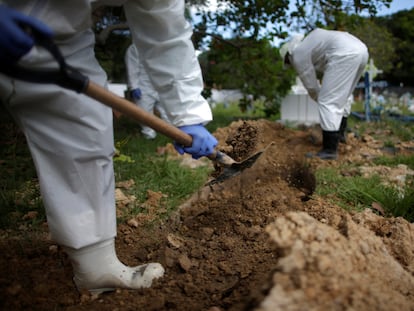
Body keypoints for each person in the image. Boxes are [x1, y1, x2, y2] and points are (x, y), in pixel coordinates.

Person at [0, 1, 217, 294]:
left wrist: (188, 114)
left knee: (86, 121)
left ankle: (95, 266)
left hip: (61, 37)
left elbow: (163, 29)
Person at [280, 28, 369, 159]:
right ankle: (340, 136)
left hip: (345, 53)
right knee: (343, 96)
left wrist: (321, 98)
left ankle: (329, 150)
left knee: (328, 101)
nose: (290, 65)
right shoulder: (310, 45)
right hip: (361, 50)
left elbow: (311, 86)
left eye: (288, 62)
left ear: (289, 55)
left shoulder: (298, 54)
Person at [125, 43, 170, 139]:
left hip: (161, 85)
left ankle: (171, 133)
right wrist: (133, 86)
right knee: (145, 114)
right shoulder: (135, 47)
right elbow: (132, 67)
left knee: (167, 110)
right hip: (143, 86)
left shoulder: (163, 46)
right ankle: (149, 135)